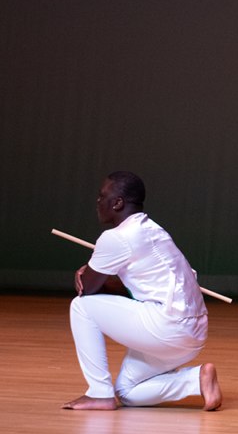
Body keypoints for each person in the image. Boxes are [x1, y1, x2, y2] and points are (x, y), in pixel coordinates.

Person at [63, 171, 222, 411]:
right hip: (192, 334)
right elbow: (127, 287)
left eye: (102, 195)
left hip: (167, 329)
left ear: (117, 203)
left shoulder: (116, 237)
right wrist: (97, 278)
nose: (97, 200)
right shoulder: (155, 231)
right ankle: (195, 380)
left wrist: (84, 273)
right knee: (128, 392)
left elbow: (88, 290)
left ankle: (98, 393)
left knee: (81, 308)